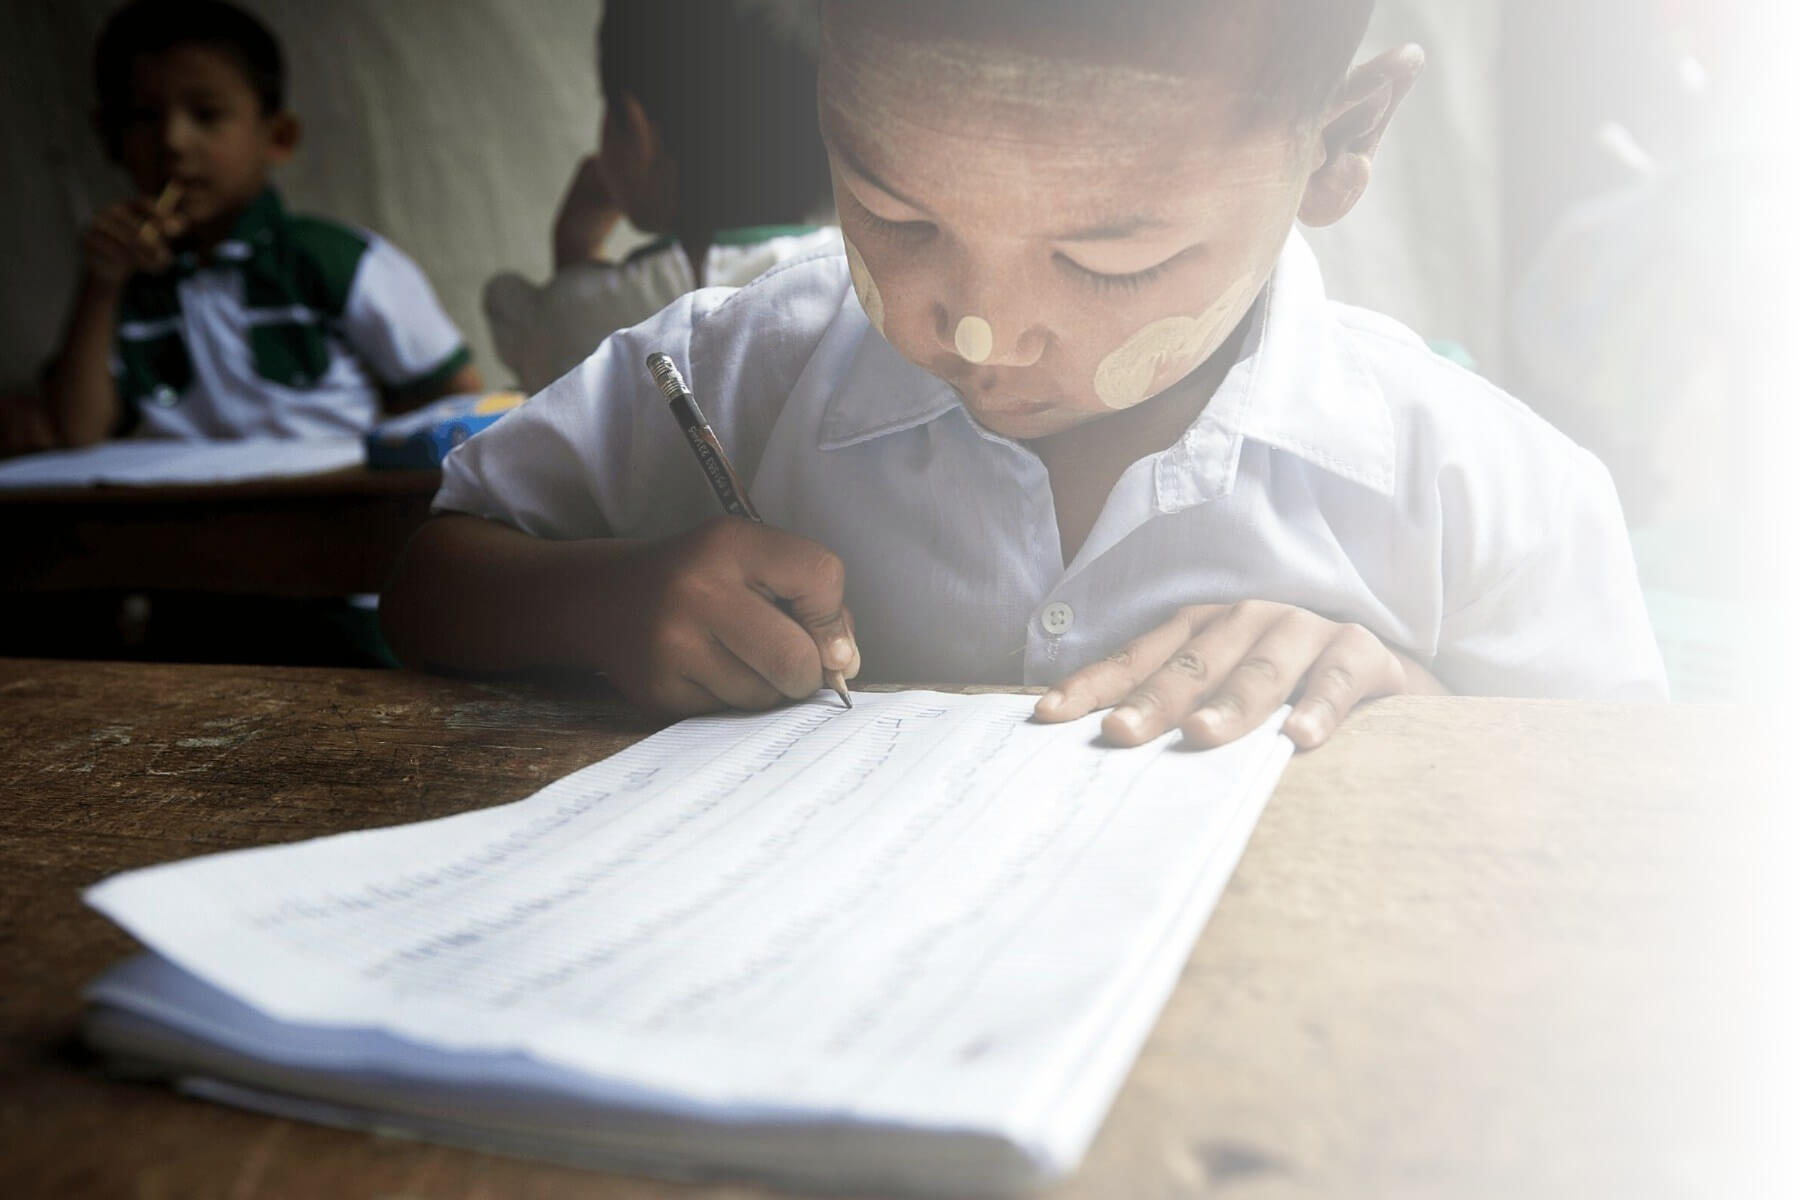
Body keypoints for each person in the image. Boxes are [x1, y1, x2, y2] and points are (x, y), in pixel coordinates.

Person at [383, 0, 1667, 751]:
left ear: (1338, 145)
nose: (984, 333)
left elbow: (1624, 816)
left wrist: (1413, 708)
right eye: (896, 217)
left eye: (1110, 263)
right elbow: (428, 576)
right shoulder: (747, 364)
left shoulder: (1478, 488)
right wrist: (607, 601)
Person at [36, 0, 481, 447]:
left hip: (327, 489)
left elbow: (458, 398)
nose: (173, 141)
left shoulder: (336, 260)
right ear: (109, 138)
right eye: (144, 117)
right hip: (170, 491)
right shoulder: (125, 286)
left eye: (206, 115)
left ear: (277, 137)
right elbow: (78, 433)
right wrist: (101, 284)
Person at [483, 0, 840, 394]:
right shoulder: (852, 280)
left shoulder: (587, 312)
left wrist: (574, 247)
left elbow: (549, 371)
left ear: (638, 133)